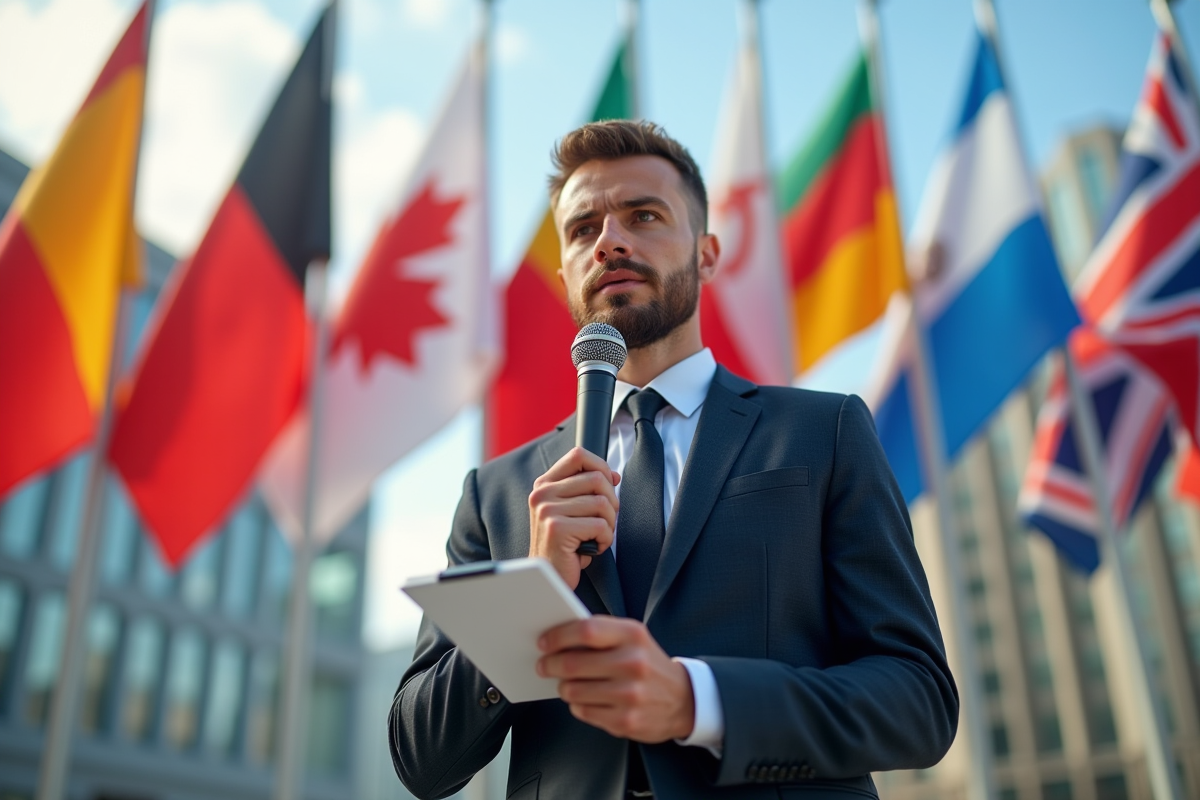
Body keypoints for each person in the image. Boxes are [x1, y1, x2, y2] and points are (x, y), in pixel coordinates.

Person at [389, 120, 957, 800]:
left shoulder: (823, 432)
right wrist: (533, 592)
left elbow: (918, 700)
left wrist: (698, 702)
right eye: (582, 230)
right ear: (566, 271)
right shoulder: (499, 493)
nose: (610, 242)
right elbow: (420, 761)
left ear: (708, 253)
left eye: (644, 215)